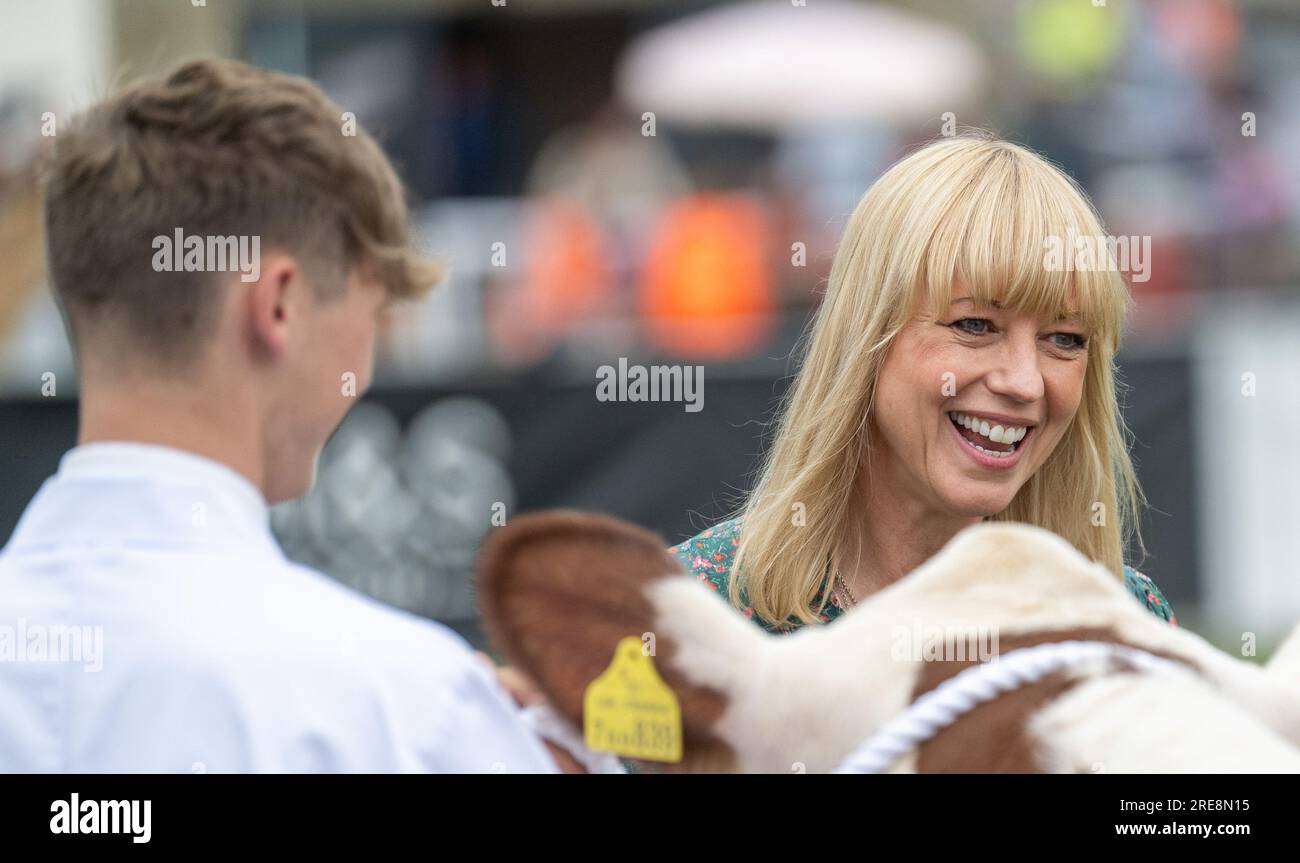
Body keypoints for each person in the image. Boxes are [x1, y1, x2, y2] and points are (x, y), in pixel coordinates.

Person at [0, 58, 557, 773]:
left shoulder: (411, 699)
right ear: (279, 307)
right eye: (373, 312)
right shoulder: (405, 709)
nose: (369, 361)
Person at [672, 135, 1177, 632]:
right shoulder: (687, 617)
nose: (1025, 382)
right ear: (866, 333)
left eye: (1064, 339)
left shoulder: (1124, 626)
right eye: (975, 326)